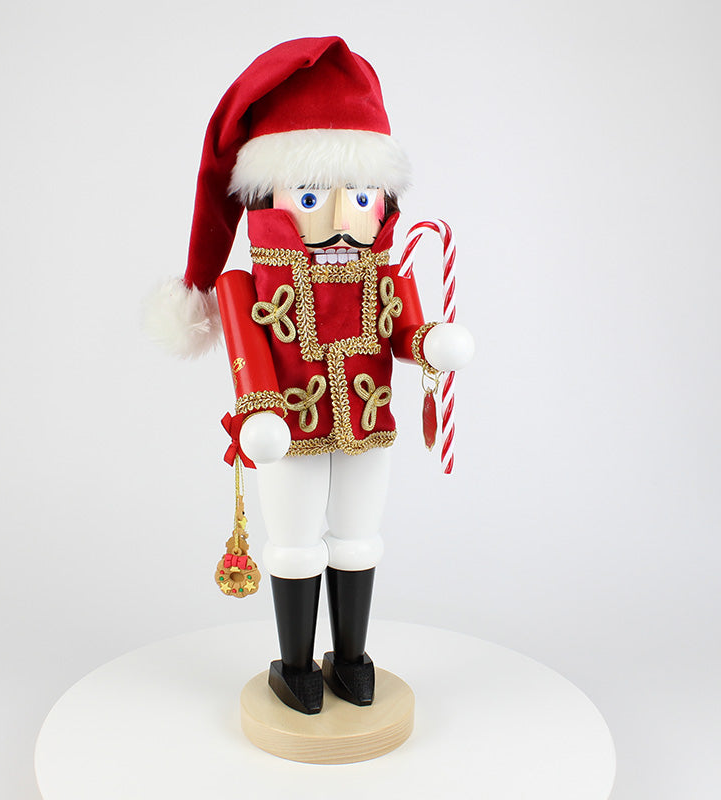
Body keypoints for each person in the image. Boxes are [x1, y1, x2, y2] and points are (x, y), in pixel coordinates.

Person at [146, 36, 474, 715]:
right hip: (287, 432)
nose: (341, 217)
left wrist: (433, 344)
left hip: (368, 425)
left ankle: (351, 657)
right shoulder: (247, 285)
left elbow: (404, 332)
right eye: (311, 194)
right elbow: (250, 356)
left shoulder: (387, 271)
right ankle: (295, 663)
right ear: (269, 198)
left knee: (358, 537)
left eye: (361, 195)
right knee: (294, 544)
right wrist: (261, 408)